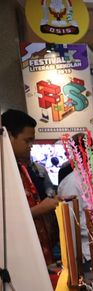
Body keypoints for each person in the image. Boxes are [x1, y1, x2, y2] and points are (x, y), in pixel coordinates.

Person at [1, 109, 58, 264]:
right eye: (27, 141)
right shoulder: (3, 171)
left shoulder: (21, 167)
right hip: (18, 257)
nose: (31, 146)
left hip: (38, 250)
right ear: (9, 137)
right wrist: (40, 209)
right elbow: (6, 220)